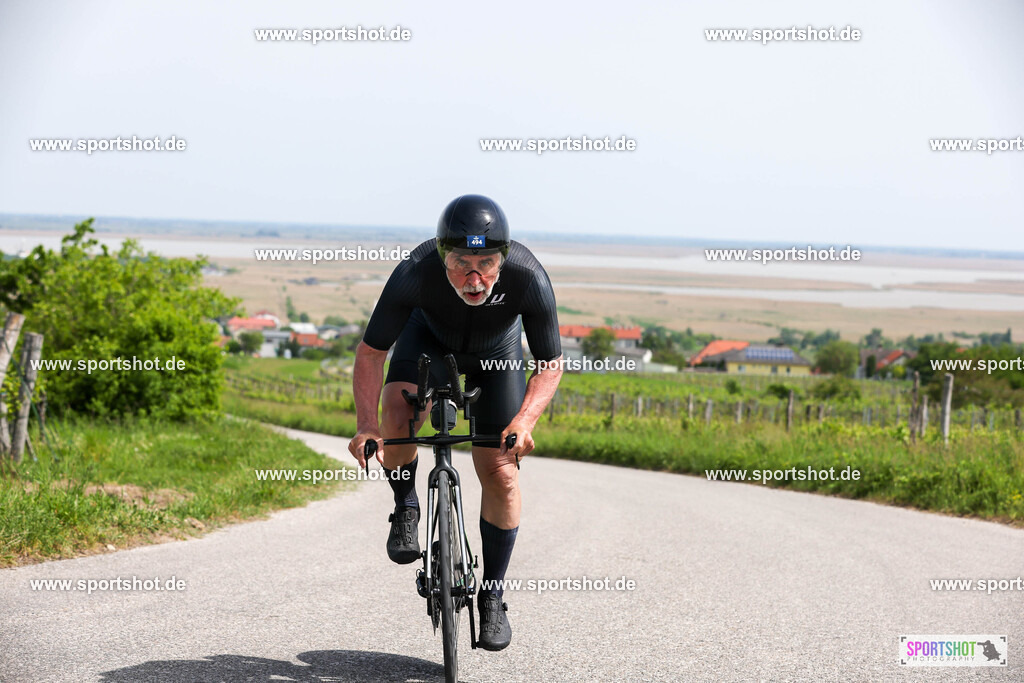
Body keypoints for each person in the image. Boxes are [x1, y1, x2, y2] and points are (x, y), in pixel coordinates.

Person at [348, 194, 563, 651]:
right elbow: (371, 353)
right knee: (398, 408)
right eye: (461, 261)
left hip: (497, 354)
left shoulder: (528, 276)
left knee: (501, 471)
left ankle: (492, 595)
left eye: (486, 262)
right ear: (442, 256)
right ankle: (406, 504)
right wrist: (368, 426)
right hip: (425, 340)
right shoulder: (415, 270)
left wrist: (524, 421)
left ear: (503, 259)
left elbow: (550, 362)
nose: (474, 276)